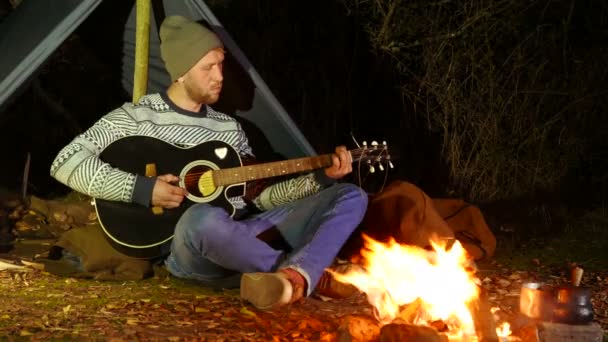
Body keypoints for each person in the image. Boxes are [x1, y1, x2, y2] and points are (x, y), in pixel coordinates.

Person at [49, 15, 368, 310]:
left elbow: (259, 199)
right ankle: (316, 275)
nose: (219, 77)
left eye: (221, 65)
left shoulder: (230, 129)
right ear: (181, 71)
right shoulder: (135, 118)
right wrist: (143, 189)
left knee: (351, 196)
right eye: (208, 67)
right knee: (202, 219)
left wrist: (320, 179)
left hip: (242, 232)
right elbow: (64, 162)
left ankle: (292, 281)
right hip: (190, 248)